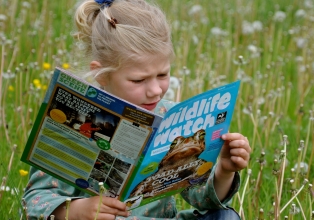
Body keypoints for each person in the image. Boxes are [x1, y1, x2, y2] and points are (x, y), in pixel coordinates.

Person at [22, 0, 251, 219]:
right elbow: (35, 200)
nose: (155, 91)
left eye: (162, 74)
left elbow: (202, 199)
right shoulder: (72, 121)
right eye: (138, 80)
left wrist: (224, 171)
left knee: (224, 216)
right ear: (102, 74)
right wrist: (75, 211)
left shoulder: (171, 119)